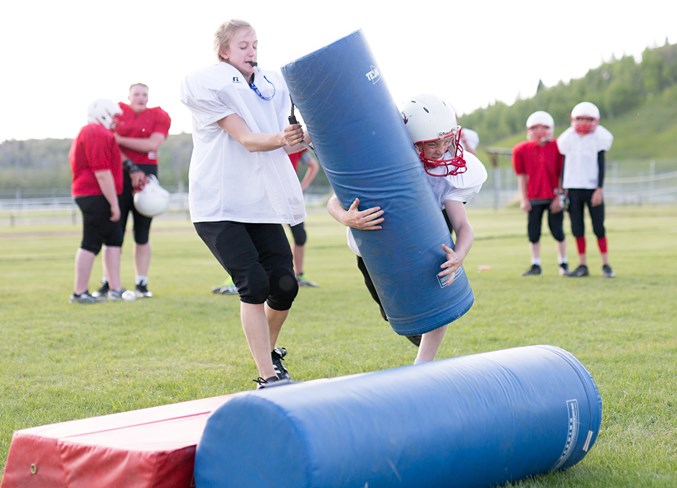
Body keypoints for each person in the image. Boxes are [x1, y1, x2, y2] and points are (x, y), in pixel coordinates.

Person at [181, 19, 307, 388]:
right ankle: (267, 376)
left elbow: (287, 138)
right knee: (252, 282)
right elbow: (249, 139)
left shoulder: (267, 87)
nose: (252, 51)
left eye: (255, 45)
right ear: (223, 52)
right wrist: (282, 138)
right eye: (243, 46)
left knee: (284, 284)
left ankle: (270, 353)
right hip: (218, 206)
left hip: (260, 203)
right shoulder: (212, 86)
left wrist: (301, 134)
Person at [327, 94, 487, 364]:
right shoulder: (386, 159)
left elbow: (463, 225)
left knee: (439, 291)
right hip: (375, 245)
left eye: (446, 141)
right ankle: (416, 330)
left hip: (423, 235)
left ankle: (423, 366)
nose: (441, 149)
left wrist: (459, 255)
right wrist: (346, 218)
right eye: (432, 143)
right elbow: (334, 200)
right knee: (395, 314)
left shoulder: (450, 170)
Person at [93, 83, 171, 299]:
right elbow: (111, 145)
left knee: (142, 233)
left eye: (145, 94)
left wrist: (120, 140)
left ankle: (141, 282)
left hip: (147, 175)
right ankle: (109, 281)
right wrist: (131, 167)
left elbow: (151, 144)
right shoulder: (117, 112)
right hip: (119, 172)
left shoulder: (158, 115)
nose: (141, 97)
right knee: (113, 232)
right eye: (136, 93)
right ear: (128, 96)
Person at [212, 148, 320, 294]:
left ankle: (299, 275)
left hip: (288, 197)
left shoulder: (295, 144)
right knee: (251, 236)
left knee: (300, 237)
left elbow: (313, 165)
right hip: (266, 194)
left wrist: (301, 187)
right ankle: (236, 280)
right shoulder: (269, 138)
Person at [69, 99, 142, 304]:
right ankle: (79, 292)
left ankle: (115, 288)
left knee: (113, 238)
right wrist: (114, 203)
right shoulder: (95, 132)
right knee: (90, 242)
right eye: (114, 116)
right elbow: (102, 173)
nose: (116, 120)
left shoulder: (95, 132)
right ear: (103, 113)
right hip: (95, 194)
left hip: (94, 193)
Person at [557, 101, 615, 278]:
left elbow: (601, 164)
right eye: (580, 118)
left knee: (598, 227)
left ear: (595, 120)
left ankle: (606, 264)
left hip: (592, 188)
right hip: (573, 188)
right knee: (577, 228)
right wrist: (563, 188)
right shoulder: (567, 138)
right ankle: (583, 264)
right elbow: (564, 165)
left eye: (588, 119)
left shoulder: (600, 137)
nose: (583, 122)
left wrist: (599, 188)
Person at [512, 111, 568, 276]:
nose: (539, 131)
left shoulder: (559, 147)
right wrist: (524, 198)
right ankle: (536, 264)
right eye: (535, 127)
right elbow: (522, 176)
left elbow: (561, 174)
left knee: (557, 230)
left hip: (553, 196)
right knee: (533, 232)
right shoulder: (521, 150)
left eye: (544, 127)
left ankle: (563, 263)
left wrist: (560, 196)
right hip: (534, 196)